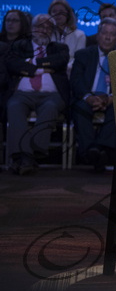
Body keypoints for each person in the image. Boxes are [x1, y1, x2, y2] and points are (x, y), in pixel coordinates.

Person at [6, 14, 70, 175]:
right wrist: (44, 69)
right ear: (33, 28)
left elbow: (59, 61)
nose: (44, 30)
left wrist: (32, 63)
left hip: (52, 95)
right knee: (13, 106)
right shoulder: (19, 46)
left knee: (50, 107)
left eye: (48, 27)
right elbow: (12, 64)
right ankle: (28, 157)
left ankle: (26, 155)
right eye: (40, 26)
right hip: (23, 93)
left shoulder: (60, 48)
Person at [71, 18, 116, 172]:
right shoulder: (83, 55)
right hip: (88, 97)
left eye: (112, 34)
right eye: (104, 33)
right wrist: (89, 97)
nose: (107, 37)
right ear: (98, 36)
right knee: (79, 107)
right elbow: (76, 81)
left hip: (112, 99)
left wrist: (110, 98)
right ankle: (91, 150)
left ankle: (102, 149)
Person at [48, 0, 86, 74]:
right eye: (54, 11)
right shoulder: (46, 34)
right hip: (48, 74)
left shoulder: (79, 35)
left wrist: (62, 70)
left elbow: (79, 60)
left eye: (61, 11)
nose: (57, 14)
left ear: (68, 14)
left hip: (70, 74)